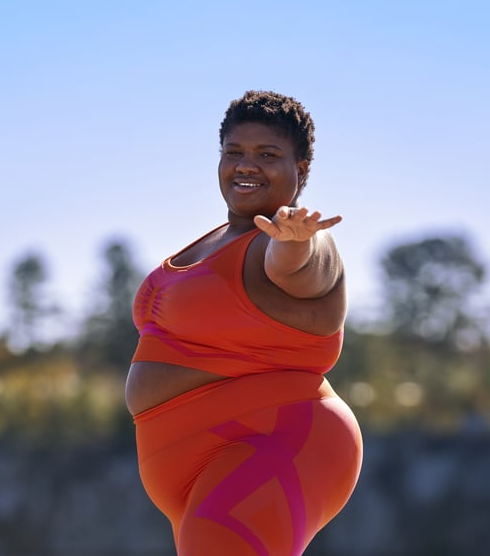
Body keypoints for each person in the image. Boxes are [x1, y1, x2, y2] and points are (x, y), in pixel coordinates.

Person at [125, 90, 363, 556]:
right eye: (234, 152)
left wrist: (295, 241)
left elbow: (297, 264)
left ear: (303, 169)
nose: (246, 164)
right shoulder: (219, 237)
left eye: (268, 154)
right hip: (196, 463)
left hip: (271, 441)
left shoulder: (294, 239)